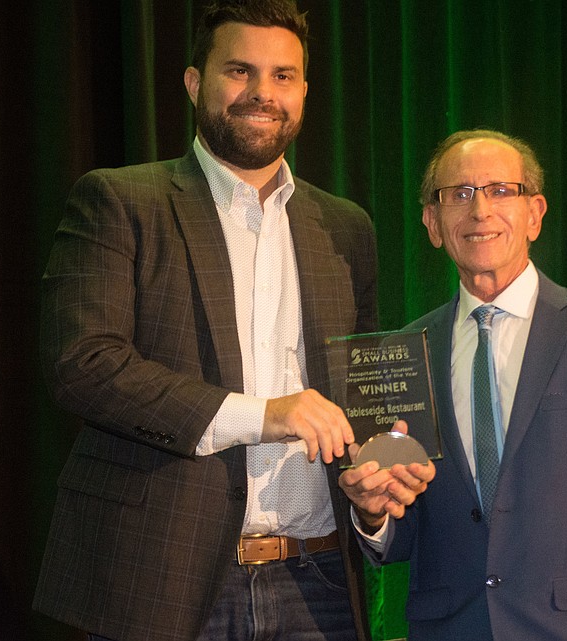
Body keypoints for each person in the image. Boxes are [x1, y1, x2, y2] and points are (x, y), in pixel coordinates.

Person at [33, 2, 378, 640]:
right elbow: (82, 365)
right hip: (161, 579)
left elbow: (362, 394)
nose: (261, 93)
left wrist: (377, 491)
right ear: (195, 83)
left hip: (320, 582)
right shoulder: (120, 200)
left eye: (282, 76)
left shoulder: (347, 228)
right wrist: (267, 414)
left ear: (304, 91)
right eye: (240, 71)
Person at [339, 129, 567, 640]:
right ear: (433, 223)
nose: (480, 210)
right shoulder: (399, 354)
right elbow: (402, 534)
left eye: (501, 190)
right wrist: (373, 515)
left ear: (535, 213)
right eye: (458, 195)